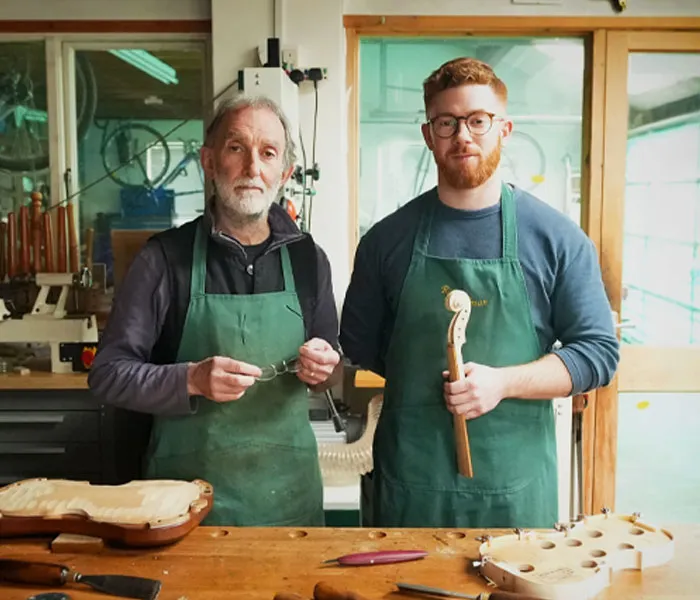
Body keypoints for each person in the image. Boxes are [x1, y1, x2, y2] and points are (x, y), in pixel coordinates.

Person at [339, 57, 620, 529]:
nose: (462, 136)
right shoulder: (385, 242)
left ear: (504, 129)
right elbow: (363, 347)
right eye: (447, 123)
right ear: (429, 135)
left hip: (514, 490)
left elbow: (599, 354)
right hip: (412, 487)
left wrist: (503, 383)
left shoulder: (557, 239)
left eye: (478, 121)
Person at [89, 94, 342, 527]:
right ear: (209, 161)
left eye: (267, 153)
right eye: (236, 148)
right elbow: (108, 374)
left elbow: (330, 375)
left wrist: (324, 369)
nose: (252, 168)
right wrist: (190, 379)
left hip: (288, 505)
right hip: (183, 508)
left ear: (285, 173)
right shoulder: (164, 259)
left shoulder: (308, 259)